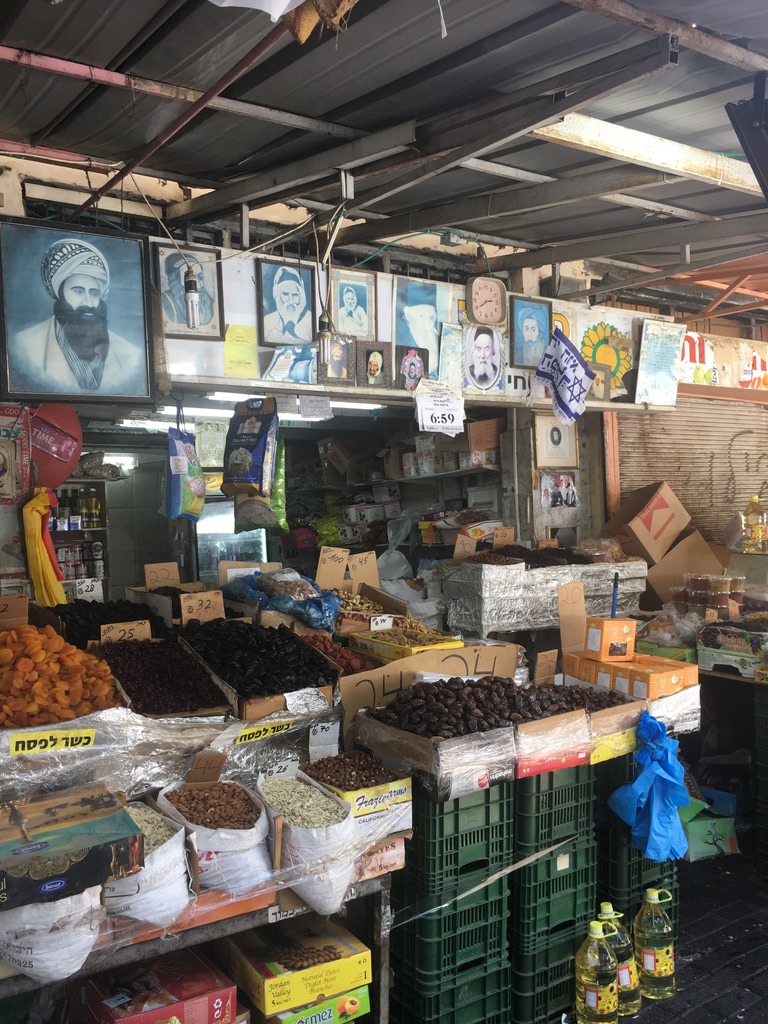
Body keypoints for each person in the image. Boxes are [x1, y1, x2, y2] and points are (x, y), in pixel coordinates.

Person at [11, 237, 146, 395]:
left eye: (94, 293)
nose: (88, 302)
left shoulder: (132, 354)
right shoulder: (23, 346)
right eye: (78, 291)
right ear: (60, 294)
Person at [397, 280, 440, 376]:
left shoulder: (437, 340)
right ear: (408, 314)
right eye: (421, 316)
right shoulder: (399, 338)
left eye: (431, 318)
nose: (427, 325)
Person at [263, 265, 313, 345]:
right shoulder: (267, 322)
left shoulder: (310, 322)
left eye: (295, 295)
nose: (291, 301)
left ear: (301, 297)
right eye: (285, 294)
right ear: (278, 296)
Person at [162, 252, 215, 327]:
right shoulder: (165, 301)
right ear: (175, 280)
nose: (198, 286)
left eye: (200, 277)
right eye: (190, 281)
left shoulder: (210, 303)